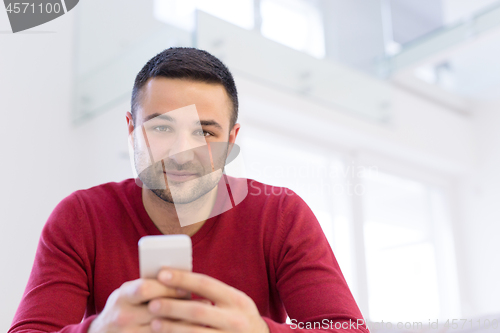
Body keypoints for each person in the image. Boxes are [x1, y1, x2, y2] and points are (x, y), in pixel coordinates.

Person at [9, 47, 369, 333]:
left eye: (205, 133)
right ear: (132, 131)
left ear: (231, 140)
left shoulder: (281, 214)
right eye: (162, 129)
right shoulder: (81, 217)